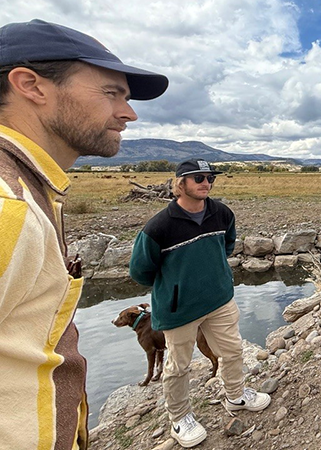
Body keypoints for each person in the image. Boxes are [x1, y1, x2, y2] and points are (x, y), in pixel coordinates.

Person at [0, 19, 167, 450]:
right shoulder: (7, 204)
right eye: (111, 93)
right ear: (31, 85)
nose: (128, 113)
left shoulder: (34, 191)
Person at [129, 159, 271, 448]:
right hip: (178, 309)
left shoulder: (221, 213)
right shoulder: (159, 227)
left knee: (232, 350)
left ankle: (236, 396)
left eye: (210, 178)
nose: (206, 182)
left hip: (219, 299)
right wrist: (175, 286)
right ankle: (180, 418)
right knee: (178, 365)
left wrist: (217, 275)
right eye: (198, 178)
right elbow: (140, 271)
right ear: (180, 184)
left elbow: (228, 244)